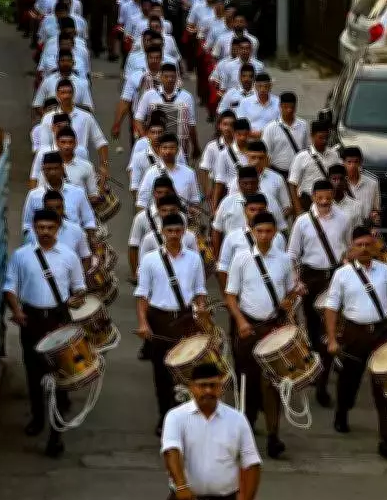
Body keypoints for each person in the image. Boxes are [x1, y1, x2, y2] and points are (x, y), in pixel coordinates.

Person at [3, 208, 86, 457]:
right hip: (32, 320)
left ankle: (56, 435)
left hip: (59, 320)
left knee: (61, 376)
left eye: (50, 228)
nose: (45, 232)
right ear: (34, 229)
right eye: (41, 228)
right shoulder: (21, 256)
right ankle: (38, 417)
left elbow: (79, 288)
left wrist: (75, 300)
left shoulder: (69, 257)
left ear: (58, 228)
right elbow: (10, 286)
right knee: (34, 372)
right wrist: (17, 311)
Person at [324, 225, 387, 460]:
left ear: (375, 246)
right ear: (352, 248)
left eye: (368, 244)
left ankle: (385, 438)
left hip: (381, 333)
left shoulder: (386, 271)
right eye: (359, 245)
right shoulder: (342, 274)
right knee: (349, 380)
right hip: (353, 332)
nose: (364, 249)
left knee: (383, 386)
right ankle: (342, 411)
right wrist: (331, 339)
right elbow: (331, 308)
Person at [226, 212, 301, 458]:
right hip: (249, 326)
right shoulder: (241, 258)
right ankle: (244, 435)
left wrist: (288, 306)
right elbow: (231, 296)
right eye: (260, 231)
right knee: (247, 384)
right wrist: (240, 322)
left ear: (275, 233)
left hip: (274, 328)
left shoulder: (283, 260)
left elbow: (291, 292)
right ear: (252, 231)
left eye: (269, 231)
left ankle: (273, 436)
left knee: (273, 384)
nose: (264, 236)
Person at [135, 212, 208, 434]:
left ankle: (184, 416)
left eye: (178, 231)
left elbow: (199, 292)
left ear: (184, 232)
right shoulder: (149, 260)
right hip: (159, 319)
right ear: (162, 233)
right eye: (170, 231)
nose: (174, 235)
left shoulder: (194, 259)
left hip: (185, 319)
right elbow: (142, 296)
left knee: (186, 370)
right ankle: (164, 416)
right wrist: (143, 323)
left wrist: (202, 313)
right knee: (162, 372)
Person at [161, 362, 261, 500]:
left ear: (220, 388)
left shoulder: (237, 419)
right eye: (202, 386)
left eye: (213, 385)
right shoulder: (176, 417)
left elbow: (252, 463)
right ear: (191, 388)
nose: (208, 390)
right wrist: (181, 486)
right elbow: (171, 451)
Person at [287, 179, 351, 407]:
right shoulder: (302, 222)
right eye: (320, 197)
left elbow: (348, 247)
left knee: (331, 328)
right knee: (314, 327)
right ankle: (317, 365)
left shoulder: (343, 218)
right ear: (313, 197)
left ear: (333, 196)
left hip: (334, 277)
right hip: (311, 278)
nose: (324, 202)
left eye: (328, 197)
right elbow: (292, 254)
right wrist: (297, 281)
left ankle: (323, 381)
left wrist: (346, 268)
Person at [212, 166, 287, 258]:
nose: (249, 186)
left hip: (265, 255)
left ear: (258, 182)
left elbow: (281, 228)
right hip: (234, 253)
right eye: (245, 183)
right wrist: (216, 257)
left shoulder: (270, 201)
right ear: (238, 183)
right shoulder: (227, 202)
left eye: (253, 183)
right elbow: (217, 230)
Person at [134, 62, 200, 158]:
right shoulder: (149, 95)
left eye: (172, 77)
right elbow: (138, 119)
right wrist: (147, 140)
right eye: (166, 76)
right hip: (155, 147)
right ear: (160, 77)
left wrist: (195, 145)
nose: (170, 79)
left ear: (177, 78)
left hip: (178, 147)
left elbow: (191, 125)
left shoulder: (186, 97)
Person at [39, 79, 109, 168]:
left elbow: (101, 142)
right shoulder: (48, 118)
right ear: (57, 95)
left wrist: (104, 166)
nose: (66, 96)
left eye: (69, 92)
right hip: (55, 166)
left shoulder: (86, 116)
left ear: (73, 94)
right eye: (63, 93)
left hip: (81, 164)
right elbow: (44, 147)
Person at [24, 190, 92, 271]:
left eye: (58, 207)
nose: (55, 211)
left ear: (63, 208)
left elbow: (86, 257)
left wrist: (79, 278)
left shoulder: (76, 230)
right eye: (50, 208)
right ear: (44, 208)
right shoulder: (33, 233)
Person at [136, 133, 201, 212]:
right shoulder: (151, 172)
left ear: (177, 150)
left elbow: (195, 199)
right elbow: (142, 202)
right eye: (164, 148)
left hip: (181, 221)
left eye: (172, 148)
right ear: (159, 150)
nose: (168, 151)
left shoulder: (189, 172)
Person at [287, 119, 340, 213]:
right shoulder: (301, 157)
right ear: (312, 136)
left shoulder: (334, 155)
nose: (324, 141)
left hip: (329, 203)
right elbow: (292, 184)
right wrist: (298, 209)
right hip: (308, 203)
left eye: (326, 137)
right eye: (320, 138)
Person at [128, 176, 175, 278]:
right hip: (152, 271)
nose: (163, 196)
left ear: (172, 193)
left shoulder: (181, 217)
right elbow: (133, 246)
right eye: (159, 192)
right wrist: (135, 274)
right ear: (153, 193)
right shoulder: (141, 218)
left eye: (166, 193)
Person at [262, 92, 309, 180]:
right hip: (277, 173)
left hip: (299, 173)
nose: (289, 110)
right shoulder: (270, 128)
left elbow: (306, 149)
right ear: (280, 107)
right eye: (286, 107)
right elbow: (265, 154)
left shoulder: (303, 125)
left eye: (292, 107)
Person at [199, 110, 236, 207]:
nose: (228, 128)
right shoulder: (212, 146)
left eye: (231, 125)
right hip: (218, 188)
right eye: (225, 124)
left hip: (236, 186)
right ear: (219, 126)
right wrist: (207, 190)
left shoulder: (240, 145)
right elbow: (204, 169)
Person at [212, 118, 250, 207]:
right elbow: (219, 182)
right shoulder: (224, 154)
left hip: (253, 194)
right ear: (234, 133)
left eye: (245, 134)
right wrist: (215, 207)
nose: (243, 138)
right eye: (239, 134)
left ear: (249, 133)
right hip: (232, 196)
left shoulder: (255, 152)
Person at [341, 146, 381, 225]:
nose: (352, 166)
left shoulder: (372, 183)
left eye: (356, 162)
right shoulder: (339, 184)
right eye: (349, 162)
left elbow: (376, 209)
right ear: (343, 163)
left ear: (360, 162)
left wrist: (375, 225)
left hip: (364, 229)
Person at [328, 164, 364, 231]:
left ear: (346, 181)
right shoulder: (321, 206)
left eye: (341, 179)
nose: (338, 182)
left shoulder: (356, 205)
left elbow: (358, 232)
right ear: (329, 181)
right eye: (334, 179)